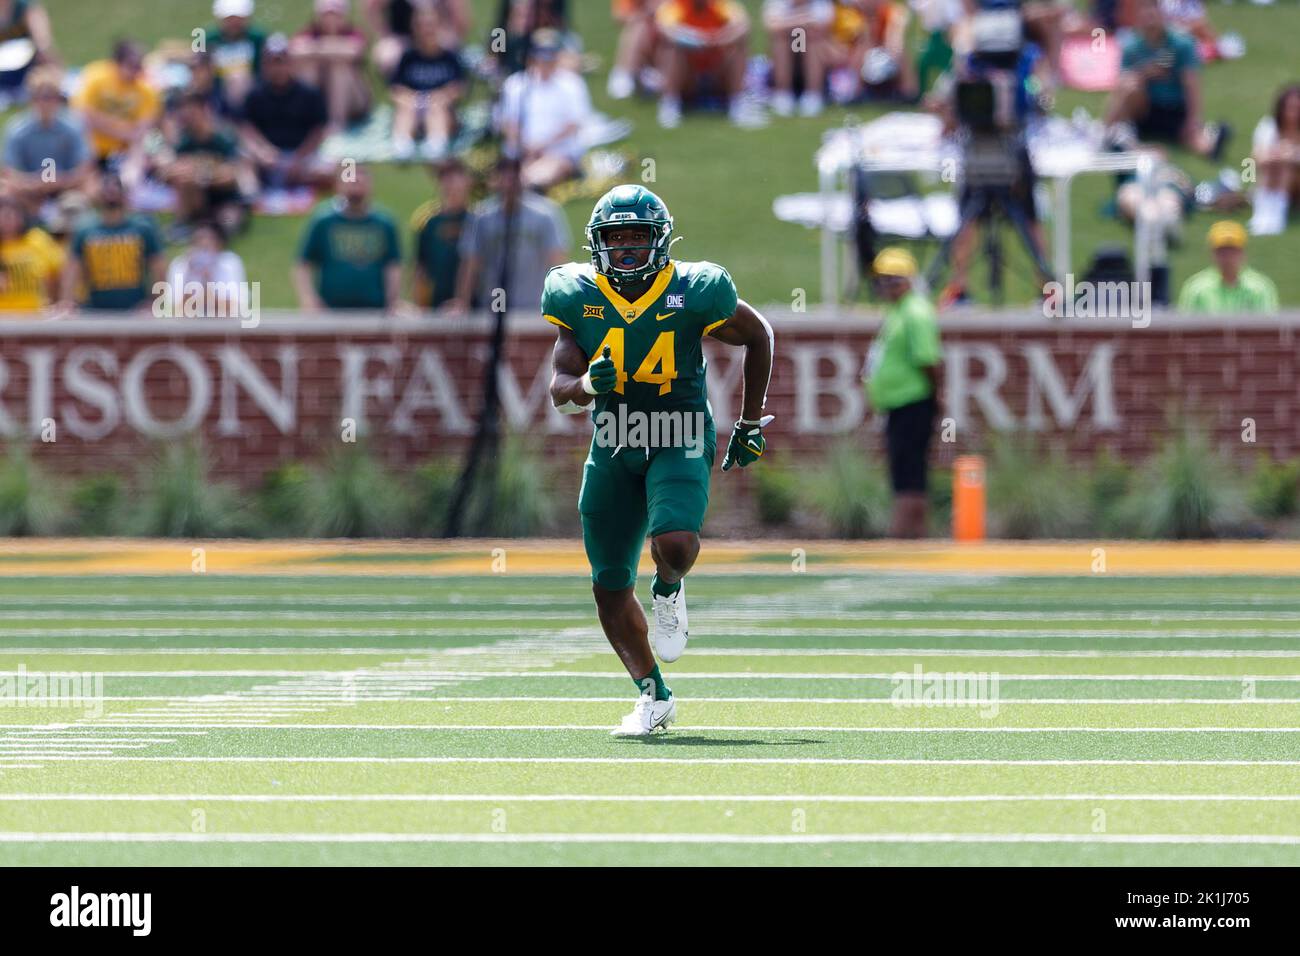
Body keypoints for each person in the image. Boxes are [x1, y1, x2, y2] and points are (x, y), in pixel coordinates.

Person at [543, 184, 775, 735]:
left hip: (680, 431)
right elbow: (559, 389)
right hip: (614, 440)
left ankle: (668, 587)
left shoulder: (695, 289)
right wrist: (586, 385)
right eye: (615, 237)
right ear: (597, 244)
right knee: (608, 584)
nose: (626, 248)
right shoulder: (575, 292)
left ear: (661, 241)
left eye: (637, 237)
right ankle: (653, 696)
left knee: (674, 544)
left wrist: (748, 422)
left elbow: (759, 334)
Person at [863, 247, 943, 539]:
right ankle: (912, 536)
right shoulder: (898, 311)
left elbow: (928, 360)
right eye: (881, 280)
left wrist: (936, 396)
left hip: (913, 402)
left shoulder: (915, 312)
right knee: (904, 473)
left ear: (908, 280)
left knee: (909, 474)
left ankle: (902, 538)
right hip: (899, 403)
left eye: (893, 279)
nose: (886, 286)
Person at [1102, 0, 1226, 159]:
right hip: (1145, 109)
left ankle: (1212, 142)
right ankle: (1108, 133)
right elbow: (1121, 86)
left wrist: (1193, 120)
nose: (1149, 15)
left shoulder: (1182, 44)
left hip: (1174, 109)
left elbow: (1192, 84)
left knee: (1196, 142)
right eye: (1144, 10)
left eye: (1153, 9)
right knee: (1130, 86)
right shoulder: (1131, 46)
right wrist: (1146, 73)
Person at [447, 156, 569, 313]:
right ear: (495, 179)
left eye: (515, 173)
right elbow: (471, 262)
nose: (510, 180)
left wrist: (560, 301)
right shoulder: (481, 216)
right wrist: (462, 301)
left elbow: (556, 260)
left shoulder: (545, 214)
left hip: (534, 307)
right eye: (505, 174)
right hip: (493, 306)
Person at [293, 163, 406, 312]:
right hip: (332, 310)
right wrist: (309, 300)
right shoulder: (324, 221)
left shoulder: (384, 223)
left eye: (361, 176)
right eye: (350, 177)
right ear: (338, 184)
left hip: (375, 310)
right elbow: (304, 264)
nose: (356, 181)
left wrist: (392, 301)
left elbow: (393, 265)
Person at [498, 28, 592, 189]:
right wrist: (526, 146)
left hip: (559, 151)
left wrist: (542, 146)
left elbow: (574, 124)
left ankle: (528, 184)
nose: (546, 63)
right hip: (522, 152)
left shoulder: (571, 84)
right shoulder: (515, 84)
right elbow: (508, 123)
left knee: (548, 169)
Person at [58, 172, 165, 312]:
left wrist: (155, 302)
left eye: (115, 188)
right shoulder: (85, 230)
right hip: (95, 310)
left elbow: (158, 267)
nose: (111, 192)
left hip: (135, 310)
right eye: (107, 188)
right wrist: (66, 301)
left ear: (124, 194)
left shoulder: (142, 228)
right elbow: (72, 269)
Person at [654, 0, 764, 129]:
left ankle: (738, 106)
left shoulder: (721, 4)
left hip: (717, 72)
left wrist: (721, 39)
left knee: (739, 45)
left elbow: (743, 27)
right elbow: (666, 31)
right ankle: (670, 105)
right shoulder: (676, 6)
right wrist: (696, 40)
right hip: (688, 75)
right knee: (671, 48)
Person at [240, 34, 331, 190]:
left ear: (290, 63)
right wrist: (263, 152)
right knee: (244, 161)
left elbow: (319, 130)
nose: (277, 68)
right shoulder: (254, 95)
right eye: (272, 63)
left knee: (331, 170)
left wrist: (299, 158)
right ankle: (251, 196)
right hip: (268, 158)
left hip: (302, 157)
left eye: (281, 62)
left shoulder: (309, 94)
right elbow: (247, 129)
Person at [2, 66, 94, 219]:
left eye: (51, 97)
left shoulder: (73, 127)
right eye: (41, 97)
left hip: (66, 189)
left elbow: (85, 167)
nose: (45, 103)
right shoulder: (17, 130)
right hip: (28, 191)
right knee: (5, 190)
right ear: (32, 100)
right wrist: (32, 183)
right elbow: (9, 172)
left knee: (91, 186)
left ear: (58, 100)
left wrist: (62, 180)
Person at [157, 90, 251, 234]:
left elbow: (232, 176)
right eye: (186, 115)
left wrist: (201, 174)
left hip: (227, 200)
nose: (189, 118)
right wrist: (181, 172)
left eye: (192, 113)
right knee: (183, 180)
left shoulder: (224, 138)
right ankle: (185, 222)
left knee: (228, 224)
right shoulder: (185, 141)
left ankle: (202, 224)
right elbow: (166, 173)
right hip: (201, 199)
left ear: (205, 111)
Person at [388, 7, 465, 160]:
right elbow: (396, 89)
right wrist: (410, 99)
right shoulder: (408, 57)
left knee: (437, 108)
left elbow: (458, 88)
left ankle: (436, 143)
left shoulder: (449, 57)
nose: (427, 30)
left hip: (441, 109)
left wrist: (441, 97)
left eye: (431, 25)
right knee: (405, 110)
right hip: (414, 106)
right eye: (422, 26)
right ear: (414, 28)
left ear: (439, 27)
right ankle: (403, 143)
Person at [70, 40, 160, 169]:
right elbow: (82, 114)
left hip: (124, 153)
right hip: (92, 149)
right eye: (132, 66)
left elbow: (140, 131)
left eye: (139, 66)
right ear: (117, 63)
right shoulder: (96, 77)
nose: (137, 71)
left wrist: (103, 123)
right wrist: (123, 129)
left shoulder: (146, 90)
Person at [290, 0, 372, 131]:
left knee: (338, 68)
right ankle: (307, 119)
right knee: (308, 68)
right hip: (323, 98)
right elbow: (294, 51)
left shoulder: (353, 32)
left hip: (354, 102)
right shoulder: (310, 32)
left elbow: (354, 52)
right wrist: (334, 48)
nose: (331, 20)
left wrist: (316, 48)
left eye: (336, 15)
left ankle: (337, 123)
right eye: (327, 15)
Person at [1176, 220, 1279, 316]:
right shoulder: (1196, 288)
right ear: (1212, 254)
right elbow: (1183, 326)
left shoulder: (1261, 288)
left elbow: (1270, 326)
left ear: (1243, 253)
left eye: (1233, 251)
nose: (1228, 257)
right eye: (1222, 251)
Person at [412, 156, 472, 310]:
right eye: (446, 178)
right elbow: (420, 268)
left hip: (473, 306)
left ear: (468, 181)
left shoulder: (477, 220)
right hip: (436, 304)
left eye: (456, 177)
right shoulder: (428, 222)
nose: (452, 184)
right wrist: (420, 306)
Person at [762, 0, 832, 117]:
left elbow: (822, 29)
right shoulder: (778, 3)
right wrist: (800, 22)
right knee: (781, 39)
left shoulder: (820, 4)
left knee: (813, 38)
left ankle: (813, 95)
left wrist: (792, 24)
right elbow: (772, 27)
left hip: (814, 55)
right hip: (786, 53)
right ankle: (783, 93)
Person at [364, 0, 470, 76]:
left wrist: (448, 34)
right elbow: (371, 7)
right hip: (402, 38)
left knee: (452, 49)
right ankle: (401, 82)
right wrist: (384, 34)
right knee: (386, 58)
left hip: (436, 36)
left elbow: (461, 19)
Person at [165, 219, 247, 317]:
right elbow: (177, 308)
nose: (204, 244)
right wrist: (189, 275)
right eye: (199, 240)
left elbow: (233, 306)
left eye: (210, 240)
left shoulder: (230, 263)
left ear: (220, 243)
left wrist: (207, 281)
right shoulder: (180, 264)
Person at [1249, 84, 1300, 237]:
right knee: (1276, 165)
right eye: (1289, 107)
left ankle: (1277, 216)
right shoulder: (1268, 126)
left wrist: (1290, 155)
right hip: (1273, 175)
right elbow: (1256, 158)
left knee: (1286, 165)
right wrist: (1279, 155)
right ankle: (1262, 215)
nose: (1293, 112)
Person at [0, 193, 63, 313]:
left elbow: (57, 272)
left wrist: (57, 302)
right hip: (3, 316)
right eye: (3, 216)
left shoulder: (37, 239)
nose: (7, 221)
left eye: (12, 215)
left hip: (36, 313)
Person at [206, 0, 267, 111]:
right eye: (230, 19)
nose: (234, 23)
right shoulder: (209, 39)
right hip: (217, 92)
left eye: (238, 18)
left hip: (252, 91)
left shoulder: (258, 38)